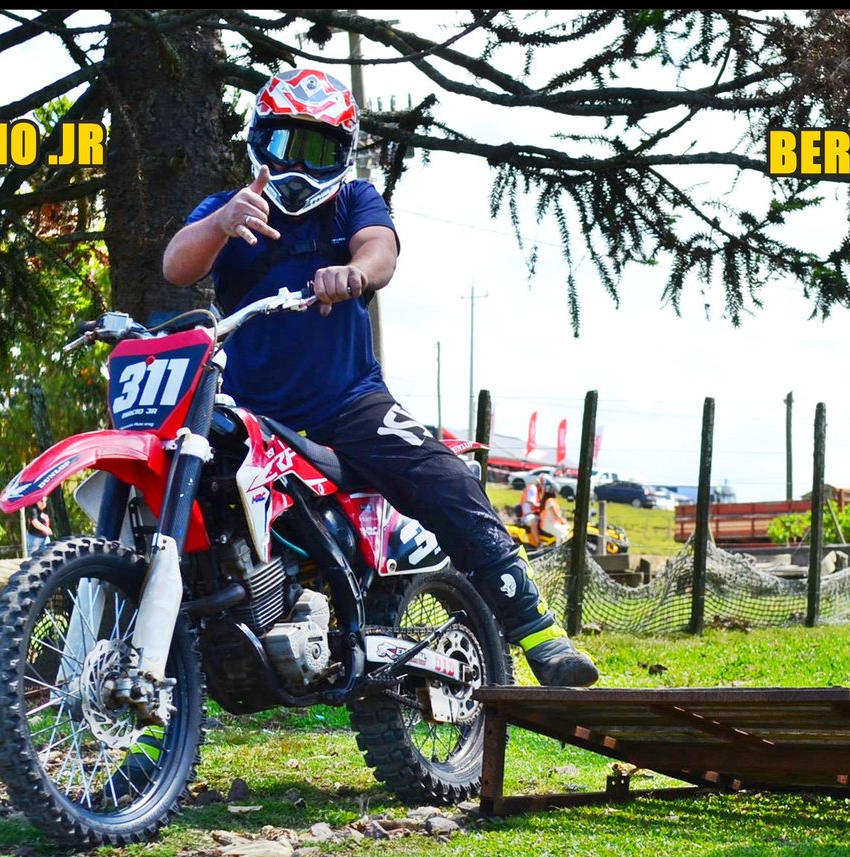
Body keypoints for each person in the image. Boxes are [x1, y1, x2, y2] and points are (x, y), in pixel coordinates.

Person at [161, 68, 596, 687]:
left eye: (318, 150)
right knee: (181, 482)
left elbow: (380, 250)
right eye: (286, 143)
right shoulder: (234, 208)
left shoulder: (353, 200)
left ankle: (539, 633)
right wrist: (219, 225)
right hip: (247, 412)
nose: (299, 165)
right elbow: (176, 267)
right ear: (259, 140)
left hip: (348, 404)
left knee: (444, 477)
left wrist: (356, 274)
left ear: (342, 155)